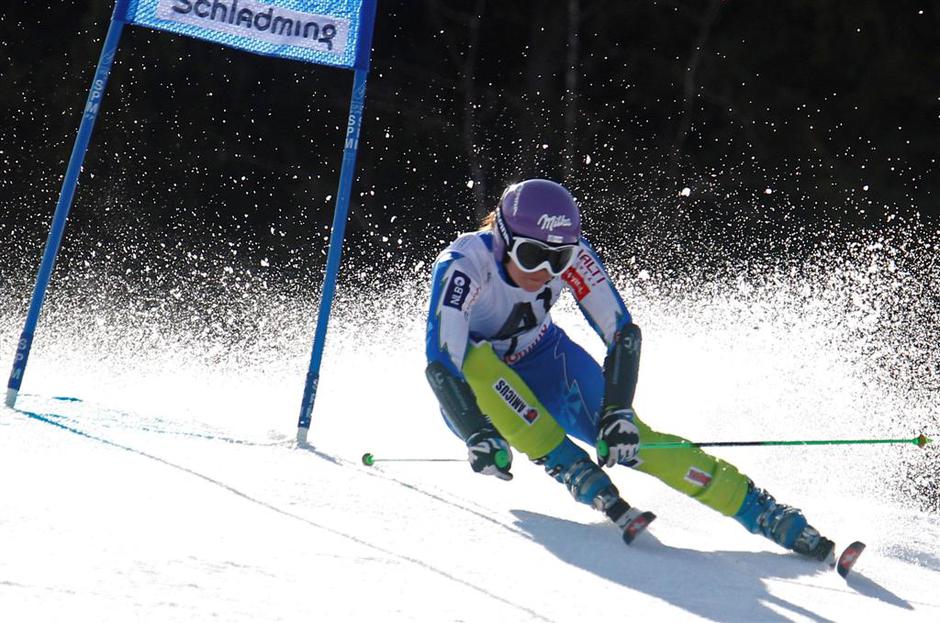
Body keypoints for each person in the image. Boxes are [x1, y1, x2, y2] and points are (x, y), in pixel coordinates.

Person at [424, 178, 835, 558]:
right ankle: (564, 461)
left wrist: (619, 411)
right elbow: (443, 364)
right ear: (502, 240)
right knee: (477, 357)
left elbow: (622, 333)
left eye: (558, 259)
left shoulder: (574, 258)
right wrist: (476, 431)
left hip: (545, 360)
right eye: (532, 256)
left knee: (637, 441)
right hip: (475, 396)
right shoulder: (464, 265)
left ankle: (758, 509)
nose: (545, 272)